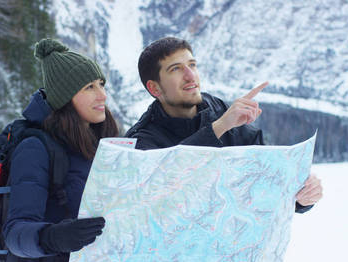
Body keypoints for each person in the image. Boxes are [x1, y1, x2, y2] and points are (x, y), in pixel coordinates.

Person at [125, 36, 322, 212]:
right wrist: (219, 127)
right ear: (154, 87)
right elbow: (160, 193)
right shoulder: (141, 141)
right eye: (176, 69)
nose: (190, 75)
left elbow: (267, 173)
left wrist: (301, 196)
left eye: (192, 65)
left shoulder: (217, 108)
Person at [2, 38, 119, 262]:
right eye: (89, 87)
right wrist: (54, 237)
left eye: (101, 84)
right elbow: (15, 233)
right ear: (65, 98)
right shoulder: (35, 148)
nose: (102, 95)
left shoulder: (104, 145)